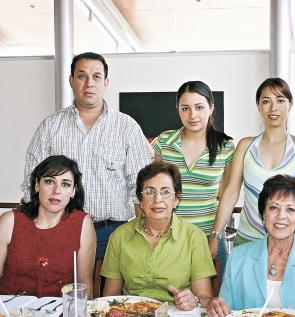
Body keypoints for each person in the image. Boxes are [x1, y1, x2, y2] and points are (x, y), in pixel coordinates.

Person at [22, 52, 152, 292]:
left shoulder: (126, 126)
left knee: (110, 299)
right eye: (81, 76)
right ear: (71, 81)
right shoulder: (51, 126)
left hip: (113, 232)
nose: (89, 83)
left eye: (96, 76)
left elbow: (140, 186)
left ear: (106, 83)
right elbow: (31, 182)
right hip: (61, 229)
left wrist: (143, 233)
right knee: (62, 295)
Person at [207, 175, 295, 316]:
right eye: (274, 207)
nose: (281, 216)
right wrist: (217, 306)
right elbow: (226, 310)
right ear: (263, 215)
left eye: (290, 209)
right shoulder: (238, 257)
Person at [210, 78, 295, 257]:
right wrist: (215, 236)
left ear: (290, 104)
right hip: (247, 240)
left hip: (290, 241)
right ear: (258, 106)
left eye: (280, 100)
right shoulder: (245, 145)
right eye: (266, 101)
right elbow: (230, 193)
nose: (273, 108)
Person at [101, 161, 215, 309]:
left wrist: (194, 301)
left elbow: (205, 298)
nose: (158, 199)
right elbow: (111, 297)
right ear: (140, 201)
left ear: (177, 199)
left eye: (166, 191)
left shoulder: (194, 237)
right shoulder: (120, 236)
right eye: (149, 192)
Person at [151, 81, 235, 274]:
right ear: (178, 110)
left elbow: (227, 195)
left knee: (212, 300)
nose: (192, 115)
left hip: (208, 238)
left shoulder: (226, 146)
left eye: (199, 107)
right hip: (168, 239)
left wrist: (214, 237)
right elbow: (153, 191)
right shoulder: (165, 142)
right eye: (185, 108)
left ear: (211, 107)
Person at [0, 155, 96, 298]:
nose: (57, 191)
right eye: (50, 181)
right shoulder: (9, 221)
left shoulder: (83, 223)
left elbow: (85, 287)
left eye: (66, 184)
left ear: (74, 191)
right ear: (37, 185)